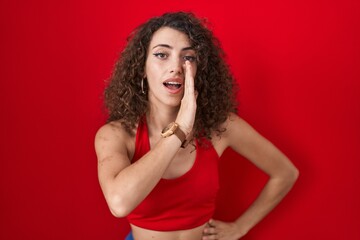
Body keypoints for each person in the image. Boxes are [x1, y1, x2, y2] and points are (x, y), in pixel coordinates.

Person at [95, 12, 299, 240]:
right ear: (142, 68)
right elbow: (119, 203)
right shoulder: (115, 134)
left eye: (188, 57)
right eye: (162, 54)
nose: (176, 67)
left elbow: (286, 172)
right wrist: (180, 128)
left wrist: (241, 227)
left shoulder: (221, 127)